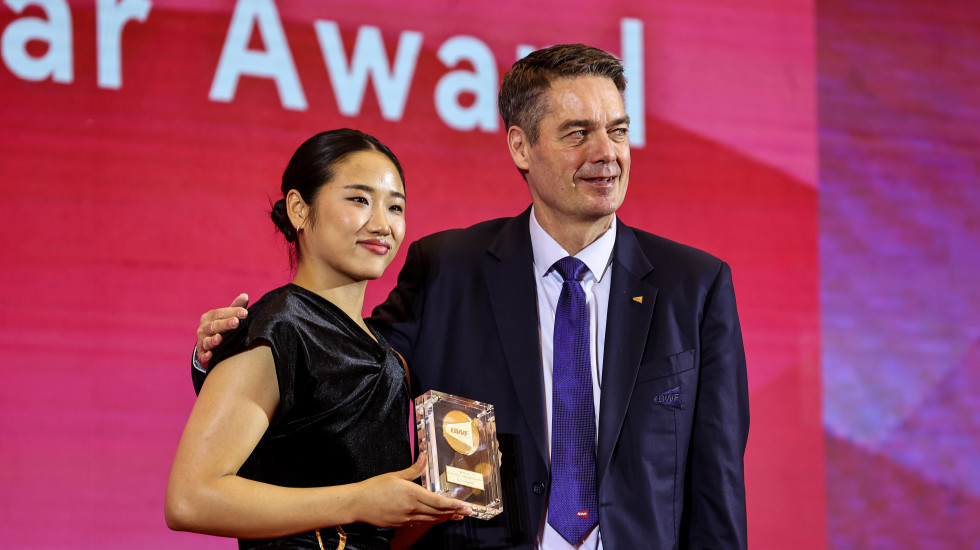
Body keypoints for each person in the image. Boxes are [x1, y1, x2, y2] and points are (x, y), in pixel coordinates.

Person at [194, 44, 749, 549]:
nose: (607, 152)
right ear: (521, 145)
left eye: (619, 131)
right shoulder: (447, 269)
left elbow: (716, 487)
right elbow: (349, 371)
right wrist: (231, 356)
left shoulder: (694, 285)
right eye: (578, 133)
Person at [166, 129, 471, 550]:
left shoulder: (389, 358)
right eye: (359, 199)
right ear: (298, 209)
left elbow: (374, 534)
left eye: (395, 206)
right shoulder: (280, 327)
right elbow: (190, 499)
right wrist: (358, 501)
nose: (382, 224)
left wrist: (442, 501)